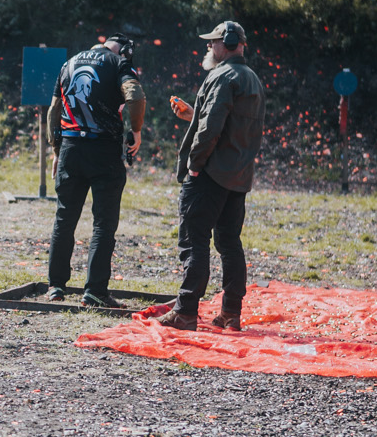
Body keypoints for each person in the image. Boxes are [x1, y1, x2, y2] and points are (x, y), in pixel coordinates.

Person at [156, 19, 265, 332]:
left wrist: (195, 164)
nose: (209, 46)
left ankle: (186, 311)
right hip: (239, 175)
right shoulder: (251, 78)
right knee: (229, 242)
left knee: (195, 240)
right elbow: (234, 125)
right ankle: (231, 312)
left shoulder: (223, 75)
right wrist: (194, 114)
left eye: (213, 41)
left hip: (211, 173)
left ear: (226, 43)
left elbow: (211, 128)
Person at [43, 27, 145, 307]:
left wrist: (56, 150)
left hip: (71, 150)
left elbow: (54, 110)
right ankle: (95, 291)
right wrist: (135, 131)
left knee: (64, 219)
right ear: (124, 51)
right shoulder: (118, 63)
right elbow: (134, 96)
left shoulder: (70, 62)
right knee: (103, 224)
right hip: (103, 152)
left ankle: (55, 286)